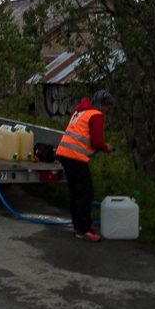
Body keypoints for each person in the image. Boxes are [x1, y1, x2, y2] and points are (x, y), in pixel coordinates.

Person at [56, 90, 117, 242]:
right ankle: (83, 229)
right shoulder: (96, 115)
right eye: (107, 106)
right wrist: (106, 148)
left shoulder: (81, 112)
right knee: (85, 193)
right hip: (75, 157)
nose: (108, 109)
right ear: (102, 104)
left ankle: (79, 223)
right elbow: (96, 141)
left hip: (65, 154)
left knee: (76, 191)